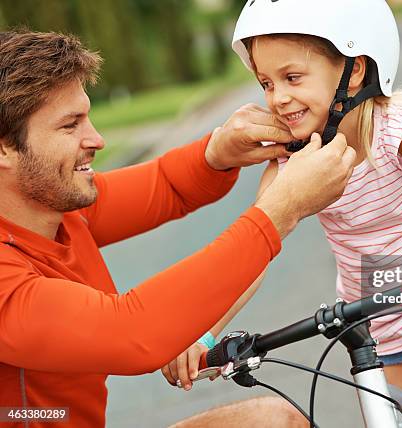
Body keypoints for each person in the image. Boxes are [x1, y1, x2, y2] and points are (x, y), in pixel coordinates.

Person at [172, 1, 402, 427]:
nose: (277, 98)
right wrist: (204, 329)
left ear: (354, 71)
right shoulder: (293, 161)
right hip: (379, 317)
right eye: (266, 83)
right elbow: (256, 247)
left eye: (292, 77)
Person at [0, 29, 356, 428]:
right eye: (70, 126)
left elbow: (166, 185)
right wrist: (280, 211)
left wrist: (219, 152)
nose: (96, 139)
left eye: (88, 117)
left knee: (273, 423)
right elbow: (131, 331)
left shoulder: (54, 207)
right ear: (4, 148)